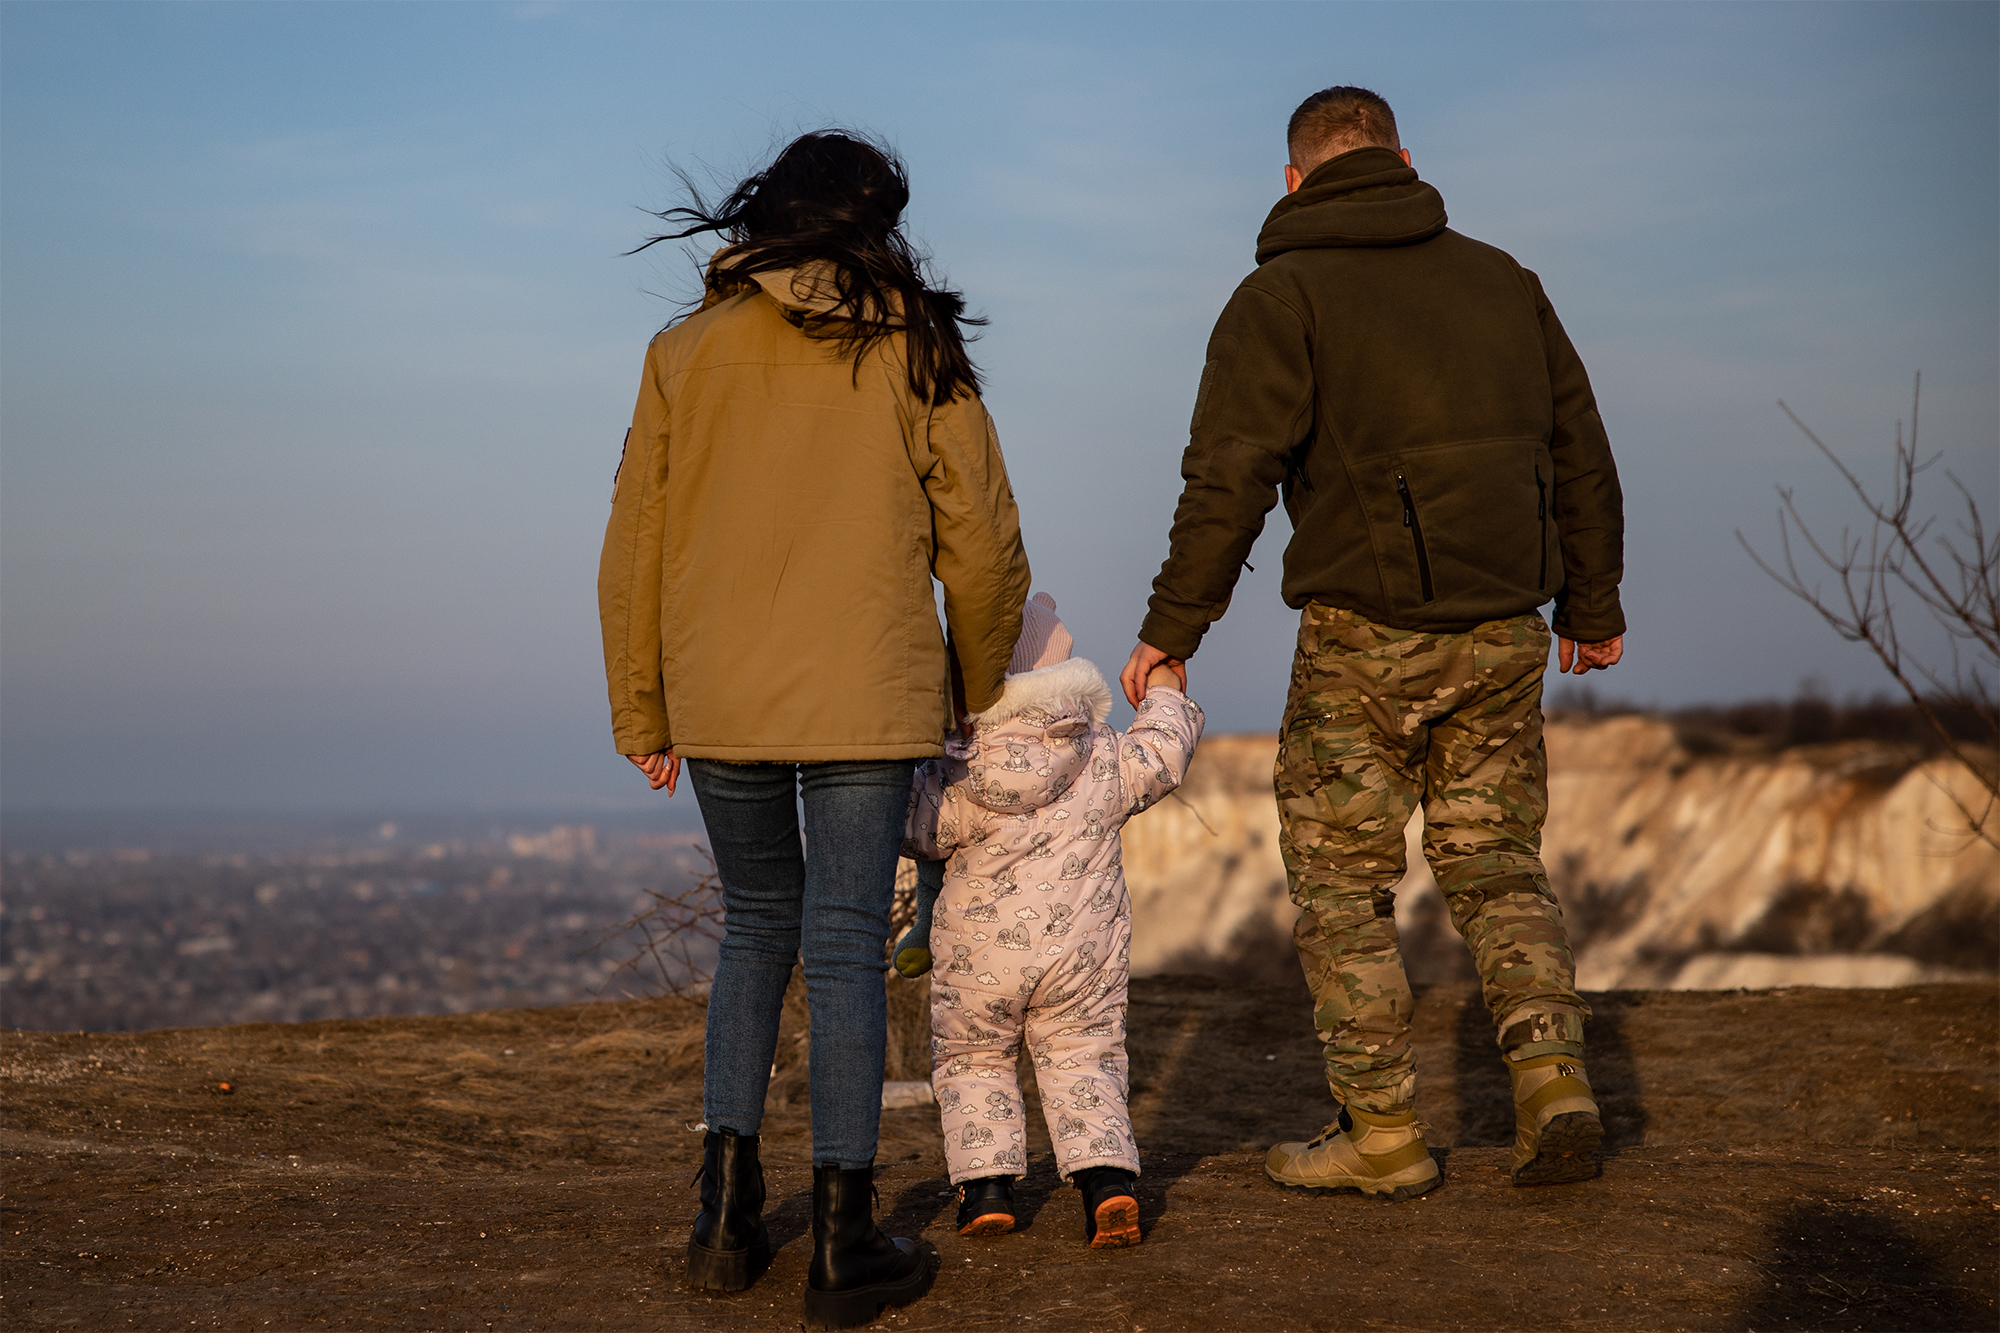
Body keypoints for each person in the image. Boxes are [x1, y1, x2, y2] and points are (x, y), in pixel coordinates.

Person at [1120, 86, 1626, 1200]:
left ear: (1292, 181)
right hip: (1506, 629)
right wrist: (1589, 605)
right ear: (1403, 157)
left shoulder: (1281, 293)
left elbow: (1228, 475)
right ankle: (1551, 1079)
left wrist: (1170, 629)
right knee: (1496, 861)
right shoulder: (1505, 281)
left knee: (1342, 884)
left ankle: (1383, 1132)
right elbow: (1579, 450)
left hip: (1365, 637)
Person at [598, 130, 1031, 1327]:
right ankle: (845, 1241)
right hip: (869, 690)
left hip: (719, 696)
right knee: (844, 943)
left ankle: (723, 1220)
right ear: (874, 223)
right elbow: (984, 544)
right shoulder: (914, 349)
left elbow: (633, 542)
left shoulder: (683, 350)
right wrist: (969, 681)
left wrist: (642, 704)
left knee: (753, 933)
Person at [904, 593, 1204, 1246]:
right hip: (1082, 953)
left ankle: (986, 1190)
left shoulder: (958, 768)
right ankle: (1108, 1186)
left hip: (979, 960)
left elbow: (915, 828)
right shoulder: (1098, 749)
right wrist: (1165, 692)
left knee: (973, 1058)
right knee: (1083, 1054)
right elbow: (1161, 756)